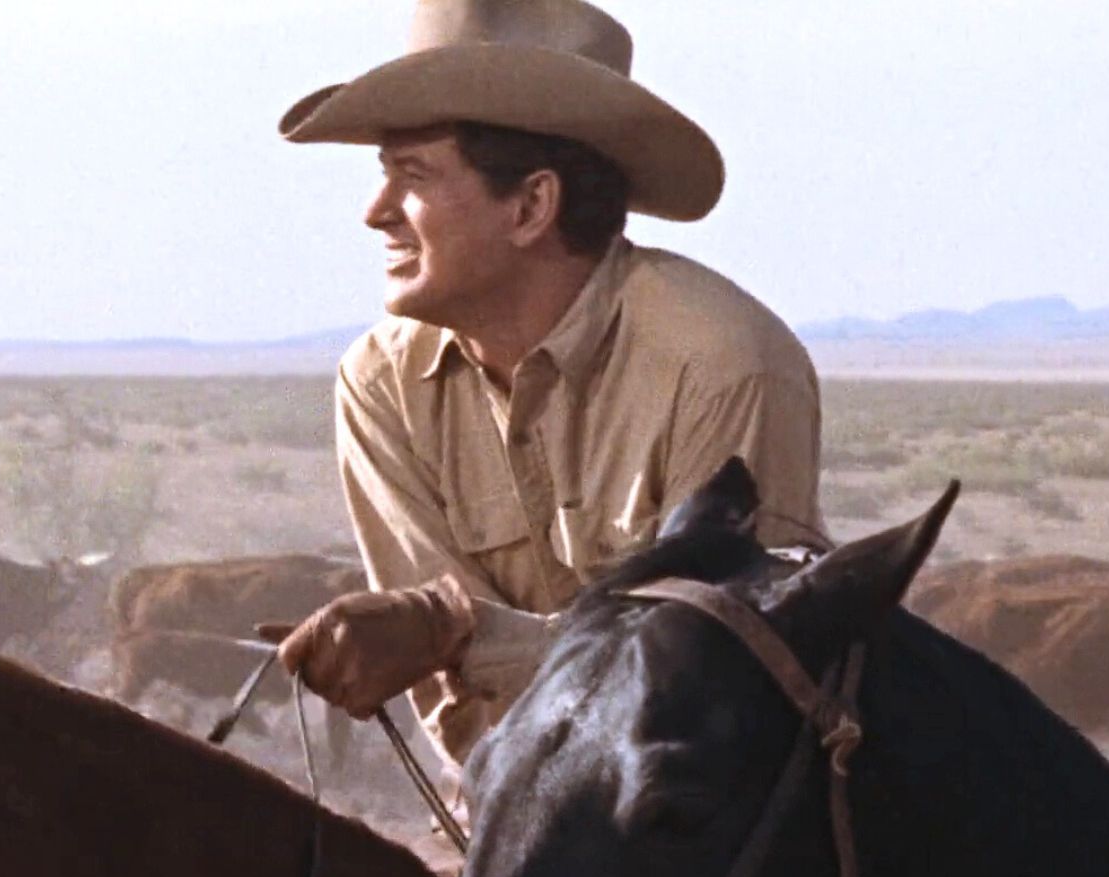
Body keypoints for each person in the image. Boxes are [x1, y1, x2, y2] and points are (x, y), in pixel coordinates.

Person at [262, 0, 825, 779]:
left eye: (411, 176)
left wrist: (456, 635)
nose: (375, 213)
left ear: (531, 206)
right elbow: (454, 698)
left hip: (720, 833)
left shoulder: (721, 365)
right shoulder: (383, 382)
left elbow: (723, 674)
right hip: (523, 812)